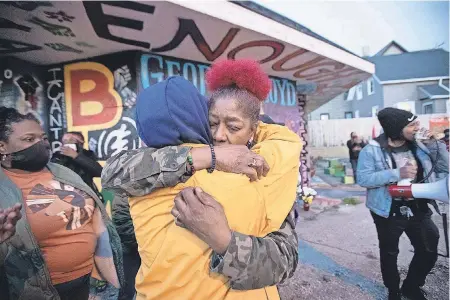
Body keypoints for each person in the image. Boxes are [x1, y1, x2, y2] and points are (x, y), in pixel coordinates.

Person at [102, 60, 301, 299]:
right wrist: (209, 157)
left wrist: (225, 241)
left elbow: (284, 260)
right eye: (213, 123)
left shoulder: (270, 173)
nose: (219, 135)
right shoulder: (168, 165)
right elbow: (114, 174)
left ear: (253, 131)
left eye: (234, 127)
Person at [0, 107, 123, 300]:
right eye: (29, 139)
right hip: (43, 292)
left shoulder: (62, 171)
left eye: (43, 138)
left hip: (94, 284)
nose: (40, 144)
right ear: (2, 147)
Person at [357, 107, 449, 300]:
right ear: (397, 128)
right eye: (412, 124)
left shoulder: (420, 145)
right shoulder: (371, 150)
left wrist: (435, 144)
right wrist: (397, 174)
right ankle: (393, 291)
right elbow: (363, 179)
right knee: (390, 253)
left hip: (419, 207)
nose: (418, 128)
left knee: (429, 249)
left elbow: (444, 168)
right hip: (388, 210)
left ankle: (411, 286)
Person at [52, 132, 104, 201]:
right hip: (65, 199)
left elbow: (99, 172)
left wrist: (76, 156)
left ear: (80, 142)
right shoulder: (57, 156)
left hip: (86, 197)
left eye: (71, 140)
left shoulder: (88, 155)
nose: (67, 143)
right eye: (64, 141)